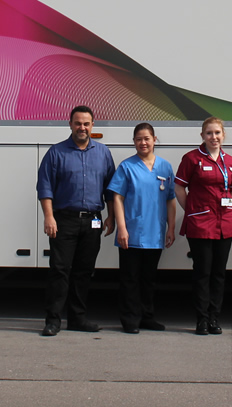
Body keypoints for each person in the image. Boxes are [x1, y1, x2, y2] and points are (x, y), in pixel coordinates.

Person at [36, 105, 116, 337]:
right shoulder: (56, 152)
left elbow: (110, 189)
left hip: (92, 221)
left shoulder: (103, 153)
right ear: (70, 124)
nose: (82, 127)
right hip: (64, 221)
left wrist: (110, 216)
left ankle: (77, 319)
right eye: (78, 123)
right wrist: (49, 217)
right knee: (59, 271)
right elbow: (45, 187)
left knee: (84, 272)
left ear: (92, 125)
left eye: (86, 123)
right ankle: (53, 321)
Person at [107, 122, 177, 333]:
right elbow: (117, 198)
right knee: (130, 279)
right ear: (134, 142)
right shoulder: (127, 167)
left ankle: (147, 317)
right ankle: (130, 319)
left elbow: (171, 199)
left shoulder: (165, 167)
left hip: (155, 233)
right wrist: (121, 228)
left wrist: (171, 228)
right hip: (132, 233)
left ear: (154, 140)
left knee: (149, 279)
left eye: (147, 138)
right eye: (138, 139)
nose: (143, 142)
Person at [175, 117, 232, 335]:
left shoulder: (230, 161)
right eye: (209, 133)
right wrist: (191, 210)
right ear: (202, 136)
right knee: (202, 272)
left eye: (217, 133)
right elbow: (179, 188)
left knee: (219, 273)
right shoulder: (191, 158)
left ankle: (214, 318)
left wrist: (227, 201)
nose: (214, 137)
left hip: (225, 223)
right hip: (200, 224)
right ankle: (202, 319)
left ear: (223, 135)